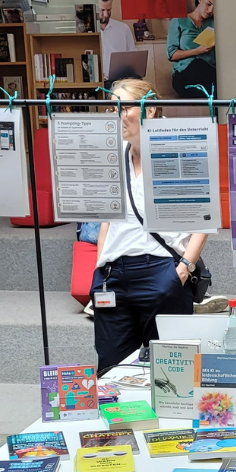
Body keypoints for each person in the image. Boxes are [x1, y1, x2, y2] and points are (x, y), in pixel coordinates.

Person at [90, 77, 210, 371]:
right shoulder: (111, 154)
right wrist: (99, 265)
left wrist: (183, 270)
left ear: (151, 109)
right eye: (112, 107)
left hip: (162, 272)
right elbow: (107, 219)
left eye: (125, 106)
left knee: (171, 372)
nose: (118, 115)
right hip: (114, 275)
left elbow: (204, 219)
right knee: (111, 369)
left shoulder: (178, 149)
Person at [166, 0, 216, 100]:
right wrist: (197, 51)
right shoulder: (179, 21)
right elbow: (171, 54)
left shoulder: (214, 23)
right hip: (185, 71)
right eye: (208, 4)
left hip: (209, 71)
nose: (210, 10)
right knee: (197, 66)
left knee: (208, 72)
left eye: (214, 7)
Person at [97, 0, 136, 79]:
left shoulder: (123, 28)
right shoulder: (86, 31)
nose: (106, 14)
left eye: (109, 10)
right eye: (102, 10)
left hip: (119, 79)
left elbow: (133, 58)